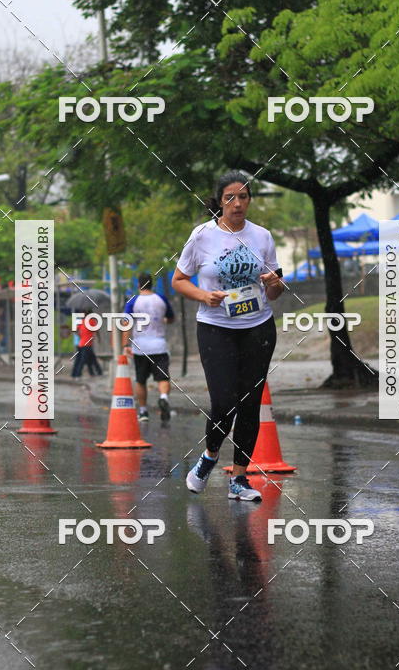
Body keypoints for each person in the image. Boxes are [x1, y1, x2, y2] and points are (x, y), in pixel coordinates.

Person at [172, 171, 285, 502]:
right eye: (230, 198)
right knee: (223, 401)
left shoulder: (262, 236)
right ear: (220, 201)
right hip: (215, 326)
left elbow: (275, 289)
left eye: (244, 197)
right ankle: (208, 458)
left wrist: (273, 283)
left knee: (250, 404)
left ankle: (240, 479)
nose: (238, 204)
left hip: (258, 326)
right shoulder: (203, 236)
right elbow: (180, 279)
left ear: (250, 200)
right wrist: (203, 296)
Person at [122, 272, 175, 422]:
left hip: (140, 348)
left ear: (138, 285)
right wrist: (164, 320)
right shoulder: (161, 299)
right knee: (163, 377)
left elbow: (126, 324)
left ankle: (144, 412)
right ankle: (163, 397)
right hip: (159, 345)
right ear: (152, 284)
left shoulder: (133, 301)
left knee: (141, 380)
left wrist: (125, 345)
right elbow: (171, 318)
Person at [71, 312, 103, 378]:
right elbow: (97, 331)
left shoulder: (82, 321)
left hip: (81, 344)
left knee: (87, 359)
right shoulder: (92, 321)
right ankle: (78, 374)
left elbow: (75, 330)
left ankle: (74, 374)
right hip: (87, 344)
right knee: (83, 360)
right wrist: (99, 339)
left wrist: (80, 335)